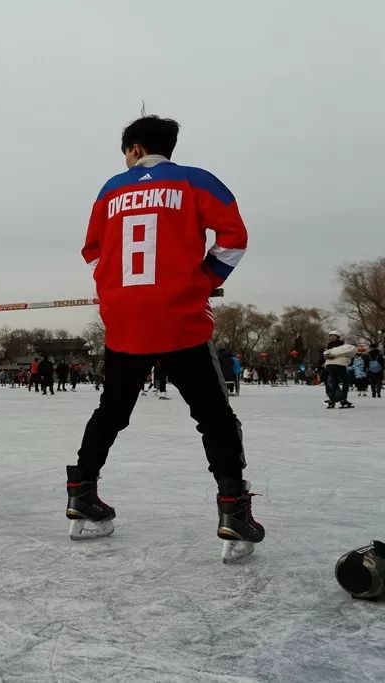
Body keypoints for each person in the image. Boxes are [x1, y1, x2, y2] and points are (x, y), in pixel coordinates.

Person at [70, 114, 262, 562]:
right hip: (179, 318)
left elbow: (93, 251)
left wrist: (118, 288)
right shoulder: (197, 181)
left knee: (111, 411)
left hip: (124, 321)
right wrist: (201, 279)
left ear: (134, 150)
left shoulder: (110, 189)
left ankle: (81, 492)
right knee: (213, 415)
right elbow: (234, 238)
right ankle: (233, 509)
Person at [323, 331, 356, 409]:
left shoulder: (330, 346)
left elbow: (327, 354)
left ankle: (331, 400)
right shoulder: (340, 344)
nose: (331, 338)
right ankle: (343, 400)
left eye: (333, 336)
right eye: (330, 336)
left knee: (335, 382)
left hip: (330, 365)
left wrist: (328, 356)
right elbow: (346, 352)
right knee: (346, 382)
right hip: (338, 365)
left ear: (337, 337)